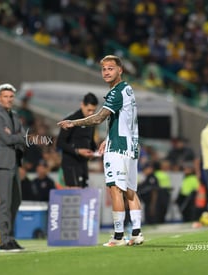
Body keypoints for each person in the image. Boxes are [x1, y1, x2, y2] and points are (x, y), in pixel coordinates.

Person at [58, 55, 144, 247]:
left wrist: (73, 122)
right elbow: (122, 120)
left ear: (120, 70)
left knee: (115, 190)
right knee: (130, 191)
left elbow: (98, 118)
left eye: (110, 68)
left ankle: (119, 236)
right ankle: (136, 233)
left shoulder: (116, 93)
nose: (106, 72)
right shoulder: (128, 89)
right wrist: (108, 138)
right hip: (131, 146)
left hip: (119, 148)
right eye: (104, 69)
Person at [0, 83, 26, 252]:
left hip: (14, 162)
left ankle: (10, 237)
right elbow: (5, 139)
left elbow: (24, 137)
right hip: (3, 163)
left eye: (11, 97)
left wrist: (16, 136)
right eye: (5, 96)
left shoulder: (14, 115)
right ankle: (4, 240)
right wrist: (17, 137)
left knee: (15, 201)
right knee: (5, 202)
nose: (9, 99)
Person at [56, 92, 98, 188]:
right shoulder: (71, 121)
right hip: (71, 164)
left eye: (94, 111)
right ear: (82, 105)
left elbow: (90, 141)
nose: (91, 113)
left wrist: (96, 151)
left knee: (83, 193)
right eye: (89, 110)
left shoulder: (91, 121)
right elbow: (59, 143)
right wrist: (77, 151)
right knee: (75, 193)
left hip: (83, 163)